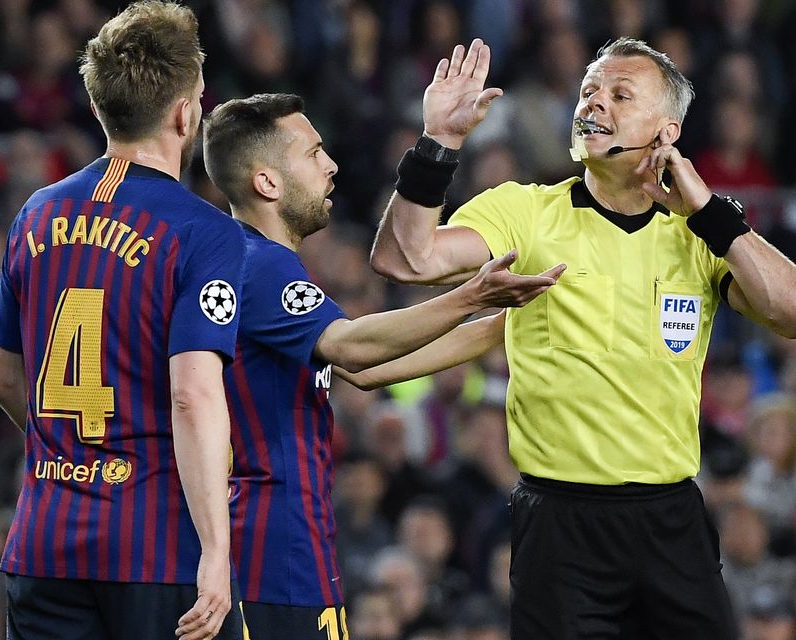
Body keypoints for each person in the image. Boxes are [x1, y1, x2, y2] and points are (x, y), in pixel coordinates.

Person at [369, 37, 796, 638]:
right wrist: (439, 142)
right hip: (560, 525)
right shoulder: (526, 212)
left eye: (620, 94)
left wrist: (710, 212)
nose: (595, 104)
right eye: (589, 92)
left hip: (671, 520)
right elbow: (406, 258)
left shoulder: (700, 234)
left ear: (667, 130)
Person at [199, 93, 560, 640]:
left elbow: (368, 370)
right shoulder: (259, 264)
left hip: (286, 542)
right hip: (270, 550)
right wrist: (472, 296)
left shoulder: (254, 263)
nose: (332, 165)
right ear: (268, 182)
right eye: (313, 152)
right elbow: (352, 348)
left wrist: (501, 324)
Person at [0, 3, 245, 639]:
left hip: (44, 541)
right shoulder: (203, 232)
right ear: (185, 113)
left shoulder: (36, 214)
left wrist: (69, 453)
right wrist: (215, 548)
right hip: (150, 547)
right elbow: (191, 394)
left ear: (102, 108)